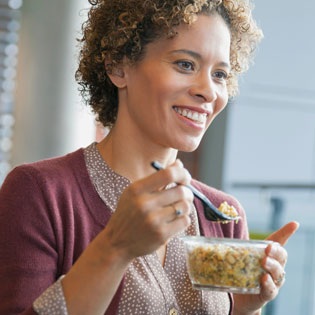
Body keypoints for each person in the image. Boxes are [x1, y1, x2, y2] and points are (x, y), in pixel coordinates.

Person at [0, 0, 299, 314]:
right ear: (119, 66)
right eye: (185, 64)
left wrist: (244, 307)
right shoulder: (38, 192)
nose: (208, 91)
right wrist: (116, 246)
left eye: (220, 74)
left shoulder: (224, 217)